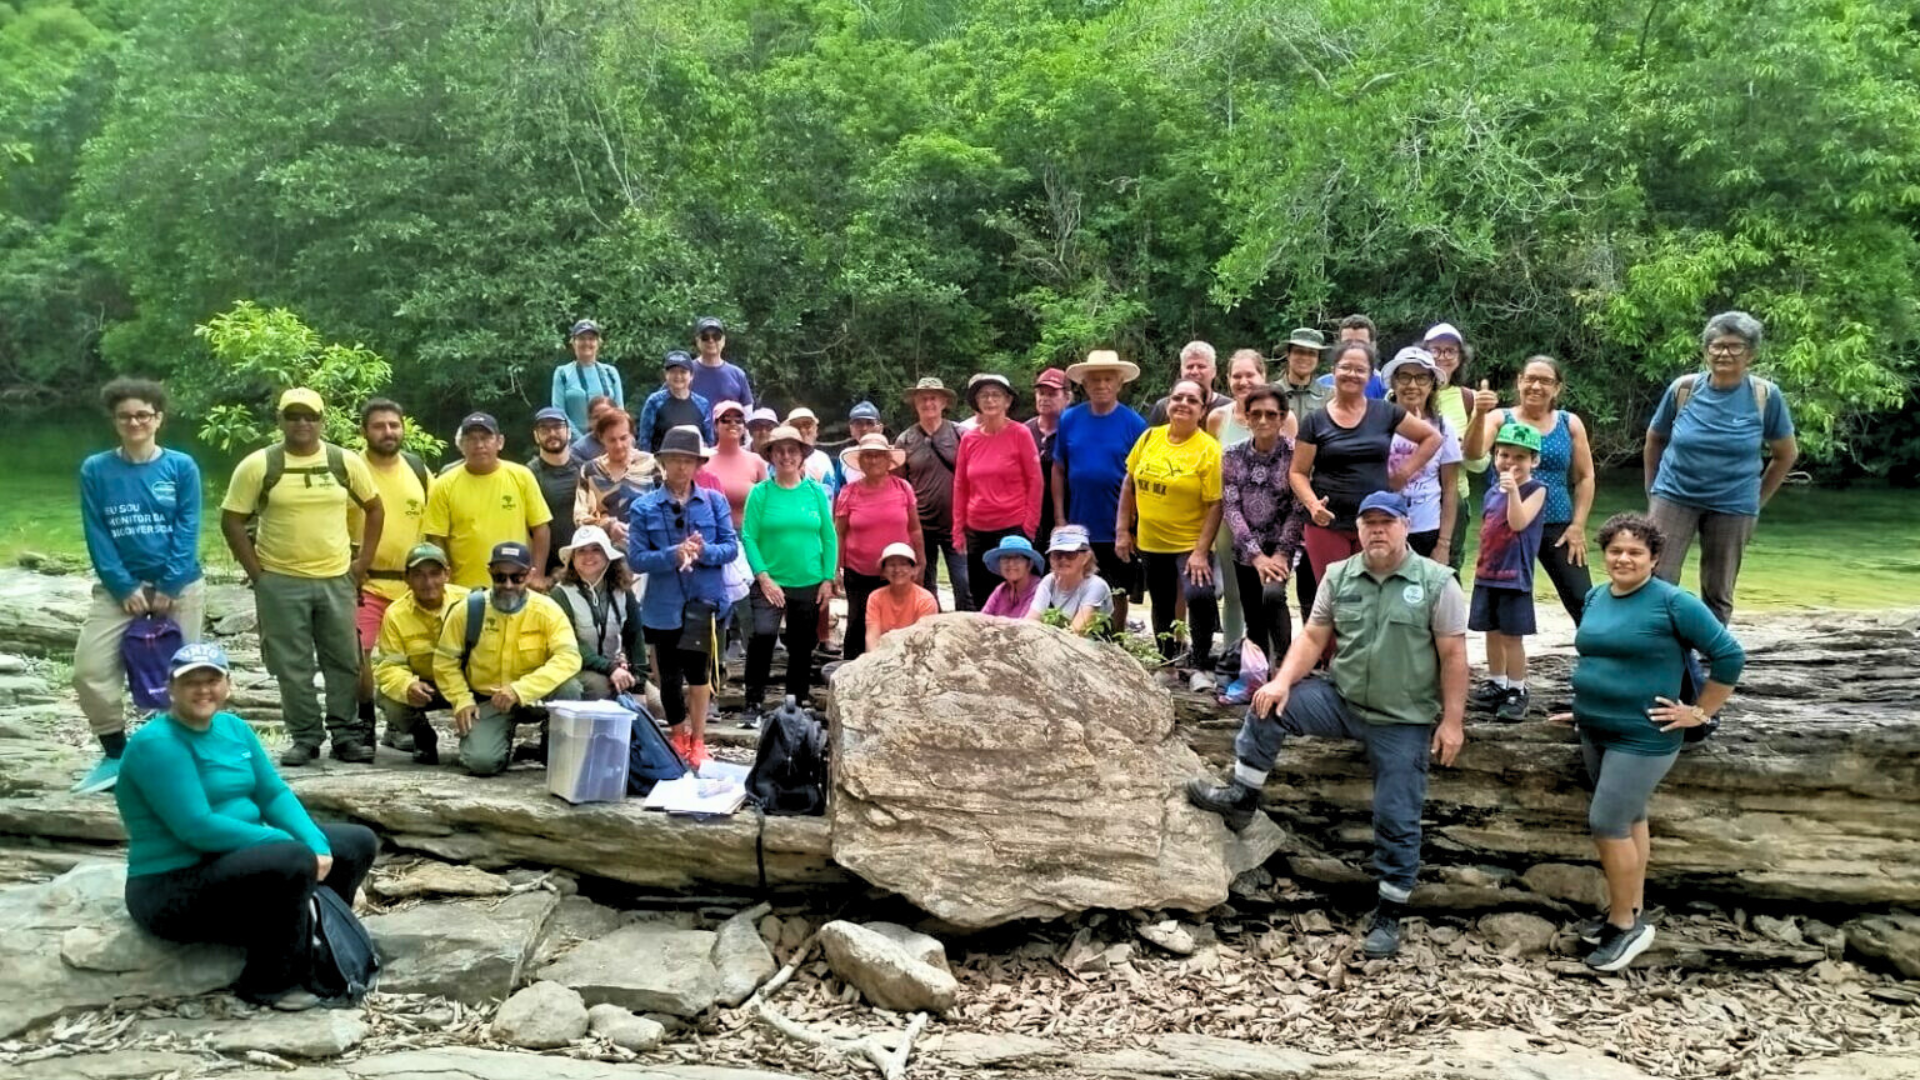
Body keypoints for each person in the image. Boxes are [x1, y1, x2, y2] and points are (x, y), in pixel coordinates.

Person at [1185, 490, 1467, 960]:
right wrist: (1281, 682)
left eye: (1387, 522)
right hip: (1343, 699)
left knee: (1397, 815)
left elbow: (1454, 655)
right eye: (1369, 523)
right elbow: (1314, 637)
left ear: (1405, 526)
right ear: (1358, 530)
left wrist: (1453, 722)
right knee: (1268, 706)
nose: (1377, 531)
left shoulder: (1437, 582)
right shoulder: (1340, 575)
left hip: (1403, 718)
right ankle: (1242, 797)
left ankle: (1389, 911)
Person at [116, 641, 378, 1011]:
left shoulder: (234, 729)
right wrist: (289, 845)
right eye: (191, 682)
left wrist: (315, 843)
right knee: (291, 859)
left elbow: (272, 794)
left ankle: (316, 941)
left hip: (236, 864)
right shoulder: (157, 744)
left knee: (356, 843)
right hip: (171, 887)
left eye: (212, 680)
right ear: (171, 688)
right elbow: (197, 827)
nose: (203, 690)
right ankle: (270, 980)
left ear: (228, 685)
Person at [1551, 513, 1745, 972]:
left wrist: (1699, 712)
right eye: (1615, 550)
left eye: (1635, 552)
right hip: (1594, 727)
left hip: (1643, 734)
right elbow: (1602, 657)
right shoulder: (1596, 596)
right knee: (1631, 816)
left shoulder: (1674, 602)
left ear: (1655, 558)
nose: (1624, 559)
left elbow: (1729, 656)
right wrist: (1584, 707)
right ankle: (1631, 909)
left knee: (1606, 822)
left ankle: (1624, 927)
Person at [220, 388, 383, 766]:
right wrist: (257, 574)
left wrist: (362, 563)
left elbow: (375, 509)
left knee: (344, 661)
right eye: (293, 416)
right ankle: (306, 737)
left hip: (336, 578)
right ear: (280, 420)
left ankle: (345, 735)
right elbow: (232, 520)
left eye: (310, 416)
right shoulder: (258, 465)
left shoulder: (344, 462)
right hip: (280, 580)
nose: (302, 423)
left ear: (322, 421)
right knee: (291, 666)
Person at [72, 379, 208, 794]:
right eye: (125, 416)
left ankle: (179, 755)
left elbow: (187, 528)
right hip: (120, 589)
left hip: (180, 585)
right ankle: (115, 754)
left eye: (143, 415)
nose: (135, 423)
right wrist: (122, 585)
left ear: (158, 419)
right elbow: (97, 532)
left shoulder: (181, 467)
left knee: (186, 674)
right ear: (115, 421)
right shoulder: (96, 469)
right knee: (89, 669)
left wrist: (170, 583)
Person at [1643, 310, 1798, 626]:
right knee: (1656, 577)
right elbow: (1655, 438)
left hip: (1733, 504)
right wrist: (1653, 489)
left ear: (1750, 354)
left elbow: (1785, 454)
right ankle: (1657, 646)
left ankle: (1711, 651)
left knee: (1718, 589)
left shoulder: (1765, 396)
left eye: (1734, 346)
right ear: (1706, 351)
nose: (1724, 353)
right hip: (1674, 494)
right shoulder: (1684, 389)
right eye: (1716, 345)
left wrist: (1756, 500)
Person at [627, 426, 738, 764]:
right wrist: (672, 554)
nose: (681, 466)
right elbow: (637, 559)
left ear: (698, 464)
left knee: (700, 673)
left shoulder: (714, 501)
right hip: (663, 604)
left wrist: (702, 552)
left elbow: (730, 548)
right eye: (674, 459)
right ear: (663, 462)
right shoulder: (643, 507)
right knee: (670, 676)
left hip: (703, 601)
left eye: (688, 460)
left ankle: (699, 739)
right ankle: (678, 735)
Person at [1290, 342, 1441, 586]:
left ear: (1370, 376)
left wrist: (1404, 472)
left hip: (1377, 522)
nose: (1352, 374)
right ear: (1333, 370)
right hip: (1328, 524)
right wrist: (1312, 504)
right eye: (1345, 367)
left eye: (1360, 369)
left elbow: (1432, 437)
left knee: (1376, 592)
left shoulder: (1385, 412)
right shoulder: (1314, 421)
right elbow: (1297, 472)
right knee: (1336, 595)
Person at [432, 541, 583, 776]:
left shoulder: (548, 610)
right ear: (489, 572)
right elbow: (445, 662)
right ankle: (497, 741)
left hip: (535, 698)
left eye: (517, 577)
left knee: (571, 689)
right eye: (500, 577)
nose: (508, 585)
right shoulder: (467, 610)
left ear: (530, 575)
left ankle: (552, 744)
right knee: (481, 763)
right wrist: (462, 699)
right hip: (489, 701)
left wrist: (519, 690)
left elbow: (569, 657)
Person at [1465, 355, 1595, 621]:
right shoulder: (1500, 418)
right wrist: (1478, 414)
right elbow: (1473, 453)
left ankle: (1597, 647)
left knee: (1582, 597)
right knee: (1505, 601)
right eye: (1530, 379)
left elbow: (1585, 477)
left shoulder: (1569, 423)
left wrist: (1578, 525)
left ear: (1557, 388)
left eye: (1545, 381)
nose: (1536, 386)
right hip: (1507, 523)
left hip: (1556, 522)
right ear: (1519, 382)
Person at [1117, 379, 1223, 673]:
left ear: (1202, 410)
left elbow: (1216, 504)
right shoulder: (1150, 437)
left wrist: (1201, 552)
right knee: (1161, 603)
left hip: (1190, 542)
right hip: (1151, 541)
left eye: (1192, 400)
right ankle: (1167, 660)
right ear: (1168, 402)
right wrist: (1123, 530)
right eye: (1178, 397)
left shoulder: (1209, 450)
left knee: (1199, 595)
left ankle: (1200, 660)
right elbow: (1129, 483)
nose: (1183, 404)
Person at [350, 398, 434, 751]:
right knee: (359, 658)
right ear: (364, 431)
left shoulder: (418, 470)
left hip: (413, 584)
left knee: (415, 658)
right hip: (364, 582)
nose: (388, 432)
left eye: (394, 425)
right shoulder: (350, 468)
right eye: (379, 426)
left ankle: (402, 726)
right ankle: (363, 724)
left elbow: (436, 524)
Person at [742, 424, 838, 718]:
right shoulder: (760, 493)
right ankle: (753, 700)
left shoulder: (815, 492)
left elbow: (829, 536)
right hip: (770, 579)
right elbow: (749, 536)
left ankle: (795, 700)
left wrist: (827, 578)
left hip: (808, 578)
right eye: (780, 451)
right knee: (763, 635)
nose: (786, 456)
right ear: (771, 455)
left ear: (801, 455)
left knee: (802, 643)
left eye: (792, 450)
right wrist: (763, 577)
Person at [1054, 350, 1148, 632]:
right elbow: (1058, 469)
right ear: (1084, 384)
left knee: (1118, 589)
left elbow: (1140, 479)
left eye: (1108, 379)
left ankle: (1116, 640)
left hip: (1116, 523)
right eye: (1095, 379)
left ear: (1119, 384)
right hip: (1078, 521)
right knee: (1076, 582)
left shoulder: (1135, 424)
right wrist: (1060, 518)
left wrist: (1129, 526)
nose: (1102, 385)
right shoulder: (1069, 419)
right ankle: (1076, 638)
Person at [1221, 384, 1307, 667]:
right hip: (1246, 547)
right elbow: (1231, 507)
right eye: (1256, 413)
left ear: (1282, 418)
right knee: (1253, 613)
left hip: (1283, 544)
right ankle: (1258, 672)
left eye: (1271, 414)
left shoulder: (1295, 454)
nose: (1263, 420)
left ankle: (1284, 664)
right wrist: (1256, 555)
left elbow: (1297, 508)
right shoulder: (1232, 455)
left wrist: (1281, 554)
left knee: (1272, 595)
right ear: (1246, 417)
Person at [1471, 422, 1548, 721]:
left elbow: (1518, 523)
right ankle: (1497, 681)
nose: (1510, 462)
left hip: (1514, 576)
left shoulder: (1536, 489)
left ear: (1534, 461)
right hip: (1488, 572)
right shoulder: (1492, 491)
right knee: (1491, 631)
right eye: (1504, 455)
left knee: (1512, 637)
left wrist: (1513, 491)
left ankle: (1517, 688)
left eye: (1520, 457)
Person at [423, 411, 551, 591]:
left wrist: (537, 574)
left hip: (515, 585)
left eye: (485, 438)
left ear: (500, 442)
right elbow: (436, 537)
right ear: (461, 445)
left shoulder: (522, 476)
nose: (479, 445)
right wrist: (445, 579)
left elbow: (541, 527)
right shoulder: (443, 485)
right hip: (465, 588)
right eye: (471, 439)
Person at [952, 373, 1043, 610]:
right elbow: (961, 485)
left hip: (1012, 525)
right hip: (977, 529)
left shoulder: (1020, 433)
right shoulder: (969, 439)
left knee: (1016, 591)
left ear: (1007, 401)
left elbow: (1035, 481)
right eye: (984, 395)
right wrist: (958, 529)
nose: (990, 400)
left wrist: (1029, 526)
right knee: (980, 593)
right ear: (976, 402)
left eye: (996, 395)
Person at [371, 543, 465, 764]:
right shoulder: (395, 614)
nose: (428, 582)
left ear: (447, 574)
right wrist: (407, 685)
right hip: (426, 686)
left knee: (481, 758)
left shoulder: (469, 602)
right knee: (388, 696)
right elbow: (388, 666)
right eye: (419, 575)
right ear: (407, 578)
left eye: (434, 574)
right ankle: (423, 737)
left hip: (466, 683)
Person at [835, 433, 919, 664]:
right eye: (868, 456)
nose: (873, 460)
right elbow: (839, 533)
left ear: (888, 460)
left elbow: (914, 529)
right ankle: (850, 670)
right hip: (858, 571)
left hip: (897, 570)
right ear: (860, 461)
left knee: (897, 622)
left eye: (878, 455)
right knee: (857, 622)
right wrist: (835, 570)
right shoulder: (848, 492)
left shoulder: (903, 488)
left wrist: (919, 562)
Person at [1206, 349, 1269, 652]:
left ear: (1263, 376)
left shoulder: (1283, 417)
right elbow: (1210, 471)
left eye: (1250, 375)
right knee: (1233, 594)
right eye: (1237, 376)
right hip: (1228, 520)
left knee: (1267, 594)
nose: (1243, 381)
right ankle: (1232, 656)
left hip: (1268, 523)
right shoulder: (1218, 418)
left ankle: (1267, 659)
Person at [894, 377, 971, 610]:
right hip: (920, 525)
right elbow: (899, 485)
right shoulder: (905, 440)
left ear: (944, 402)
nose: (928, 403)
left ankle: (965, 627)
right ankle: (932, 626)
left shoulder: (961, 435)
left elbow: (973, 477)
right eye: (923, 399)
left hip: (956, 524)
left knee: (964, 583)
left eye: (933, 398)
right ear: (915, 403)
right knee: (925, 584)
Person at [1381, 349, 1463, 560]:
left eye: (1421, 378)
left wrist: (1443, 544)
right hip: (1382, 526)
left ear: (1432, 384)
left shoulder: (1443, 427)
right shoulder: (1377, 422)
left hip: (1427, 529)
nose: (1412, 385)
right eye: (1404, 377)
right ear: (1394, 382)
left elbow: (1450, 489)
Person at [1422, 324, 1490, 575]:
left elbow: (1480, 464)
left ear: (1460, 358)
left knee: (1448, 569)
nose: (1442, 356)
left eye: (1450, 351)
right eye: (1435, 350)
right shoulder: (1402, 392)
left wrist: (1458, 449)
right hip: (1412, 497)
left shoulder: (1470, 398)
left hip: (1455, 499)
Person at [550, 525, 640, 701]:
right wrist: (610, 669)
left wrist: (640, 683)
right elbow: (570, 643)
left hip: (614, 667)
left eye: (596, 549)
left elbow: (635, 636)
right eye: (581, 551)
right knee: (600, 687)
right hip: (576, 668)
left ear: (608, 556)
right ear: (572, 558)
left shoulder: (622, 589)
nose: (588, 556)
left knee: (654, 704)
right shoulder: (560, 594)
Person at [575, 407, 661, 550]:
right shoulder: (589, 471)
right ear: (601, 438)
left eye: (623, 438)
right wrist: (608, 525)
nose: (619, 445)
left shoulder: (651, 464)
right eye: (612, 440)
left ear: (632, 435)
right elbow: (579, 517)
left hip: (648, 548)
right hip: (605, 551)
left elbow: (668, 504)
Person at [527, 407, 582, 576]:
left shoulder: (585, 469)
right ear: (536, 436)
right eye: (544, 429)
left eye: (557, 427)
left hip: (585, 562)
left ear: (569, 432)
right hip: (546, 571)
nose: (552, 433)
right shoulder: (528, 475)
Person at [552, 319, 624, 440]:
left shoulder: (610, 372)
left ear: (598, 343)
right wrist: (582, 443)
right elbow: (559, 413)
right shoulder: (562, 373)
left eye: (591, 339)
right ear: (573, 342)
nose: (586, 342)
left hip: (610, 442)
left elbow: (620, 411)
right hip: (574, 444)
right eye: (581, 338)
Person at [865, 542, 939, 651]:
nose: (897, 570)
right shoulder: (875, 598)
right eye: (892, 565)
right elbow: (872, 636)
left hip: (914, 653)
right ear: (884, 571)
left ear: (913, 570)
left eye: (903, 564)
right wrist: (872, 658)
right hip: (882, 652)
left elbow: (922, 641)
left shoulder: (925, 600)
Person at [702, 401, 766, 527]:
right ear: (715, 426)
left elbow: (767, 503)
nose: (733, 424)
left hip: (748, 533)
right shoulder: (702, 459)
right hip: (711, 533)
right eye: (726, 420)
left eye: (738, 420)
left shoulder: (756, 461)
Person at [637, 351, 713, 455]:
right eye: (673, 371)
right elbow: (644, 441)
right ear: (665, 374)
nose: (678, 376)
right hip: (660, 463)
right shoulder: (655, 402)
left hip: (692, 462)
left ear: (691, 375)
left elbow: (709, 441)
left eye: (683, 372)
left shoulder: (702, 404)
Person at [1145, 340, 1232, 425]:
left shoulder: (1229, 409)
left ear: (1214, 371)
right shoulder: (1163, 407)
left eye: (1201, 366)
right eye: (1190, 367)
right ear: (1181, 371)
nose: (1194, 372)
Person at [1027, 370, 1069, 541]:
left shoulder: (1074, 432)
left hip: (1068, 515)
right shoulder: (1024, 431)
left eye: (1052, 394)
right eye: (1041, 393)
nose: (1044, 398)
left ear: (1067, 397)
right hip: (1031, 517)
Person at [1315, 315, 1388, 399]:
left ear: (1373, 346)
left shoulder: (1384, 386)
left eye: (1360, 343)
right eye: (1347, 343)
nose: (1354, 348)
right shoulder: (1321, 385)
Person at [689, 316, 753, 411]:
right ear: (697, 340)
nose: (711, 340)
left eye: (716, 336)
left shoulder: (737, 374)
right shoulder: (684, 371)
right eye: (705, 337)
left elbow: (747, 413)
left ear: (723, 340)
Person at [979, 535, 1045, 619]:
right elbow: (982, 618)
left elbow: (1025, 624)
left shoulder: (1040, 589)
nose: (1010, 564)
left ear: (1029, 564)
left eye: (1017, 558)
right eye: (1005, 558)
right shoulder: (1001, 589)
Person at [1276, 328, 1334, 421]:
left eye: (1312, 353)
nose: (1305, 358)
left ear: (1318, 359)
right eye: (1299, 352)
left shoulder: (1329, 396)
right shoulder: (1271, 393)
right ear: (1288, 355)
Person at [839, 401, 887, 485]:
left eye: (869, 423)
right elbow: (838, 489)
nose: (864, 428)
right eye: (858, 423)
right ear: (851, 429)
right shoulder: (845, 456)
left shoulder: (891, 455)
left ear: (880, 428)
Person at [568, 396, 618, 463]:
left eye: (607, 416)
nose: (602, 421)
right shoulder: (578, 450)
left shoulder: (627, 440)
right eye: (597, 417)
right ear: (589, 421)